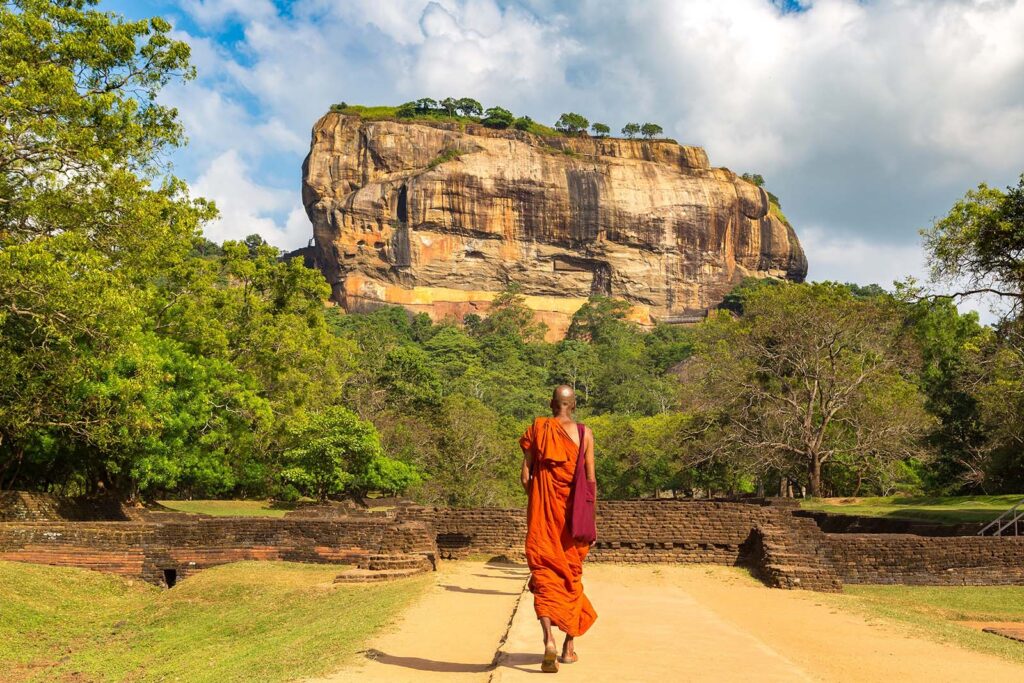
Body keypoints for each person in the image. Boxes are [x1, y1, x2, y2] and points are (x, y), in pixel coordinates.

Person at [519, 385, 597, 674]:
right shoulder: (584, 432)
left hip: (543, 521)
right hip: (573, 522)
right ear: (573, 404)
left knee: (544, 577)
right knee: (571, 579)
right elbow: (589, 480)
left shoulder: (539, 429)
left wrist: (540, 497)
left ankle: (548, 639)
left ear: (552, 403)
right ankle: (568, 648)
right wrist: (588, 518)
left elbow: (525, 476)